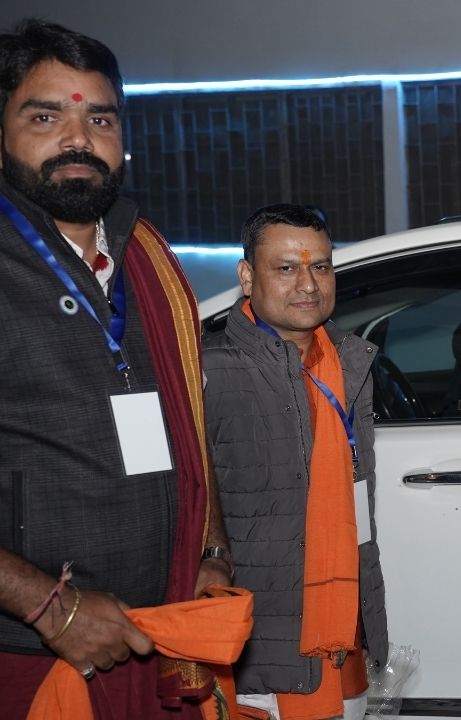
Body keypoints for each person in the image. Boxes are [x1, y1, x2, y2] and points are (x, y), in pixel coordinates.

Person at [0, 18, 232, 717]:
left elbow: (188, 425)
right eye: (45, 117)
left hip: (154, 635)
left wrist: (211, 549)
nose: (78, 139)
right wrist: (51, 607)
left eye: (99, 119)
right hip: (32, 653)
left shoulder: (145, 257)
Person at [202, 204, 388, 720]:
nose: (308, 284)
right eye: (285, 268)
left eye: (320, 267)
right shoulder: (207, 369)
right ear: (246, 277)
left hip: (343, 629)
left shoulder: (350, 362)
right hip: (257, 643)